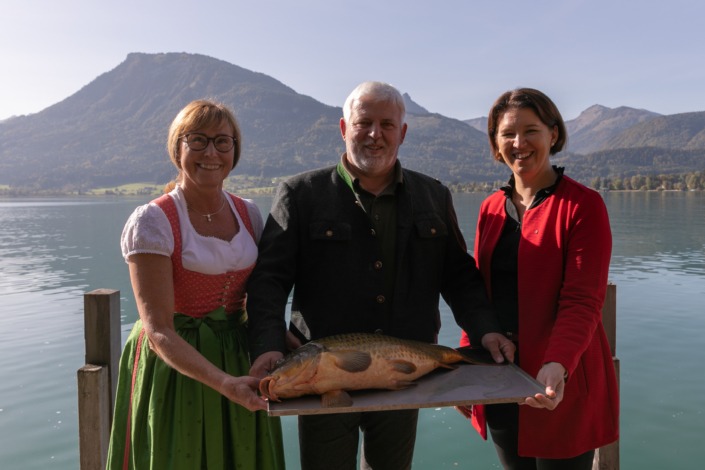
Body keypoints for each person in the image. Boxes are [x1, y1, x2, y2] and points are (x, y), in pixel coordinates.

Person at [246, 81, 514, 470]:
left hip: (404, 370)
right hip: (322, 376)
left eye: (387, 125)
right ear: (343, 128)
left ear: (402, 133)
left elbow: (459, 278)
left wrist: (487, 329)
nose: (375, 134)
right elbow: (269, 280)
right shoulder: (301, 193)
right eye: (364, 123)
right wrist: (268, 345)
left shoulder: (434, 195)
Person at [106, 100, 285, 469]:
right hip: (176, 363)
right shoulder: (153, 221)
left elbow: (258, 300)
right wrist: (223, 383)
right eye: (197, 140)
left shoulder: (248, 212)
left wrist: (293, 343)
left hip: (238, 356)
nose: (211, 152)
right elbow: (158, 332)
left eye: (223, 141)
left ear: (235, 150)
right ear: (177, 148)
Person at [458, 88, 619, 469]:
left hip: (560, 379)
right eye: (507, 134)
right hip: (500, 376)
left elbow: (583, 300)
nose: (519, 143)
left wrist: (558, 363)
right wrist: (465, 361)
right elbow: (481, 293)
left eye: (530, 130)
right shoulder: (490, 209)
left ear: (553, 134)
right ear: (496, 144)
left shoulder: (582, 206)